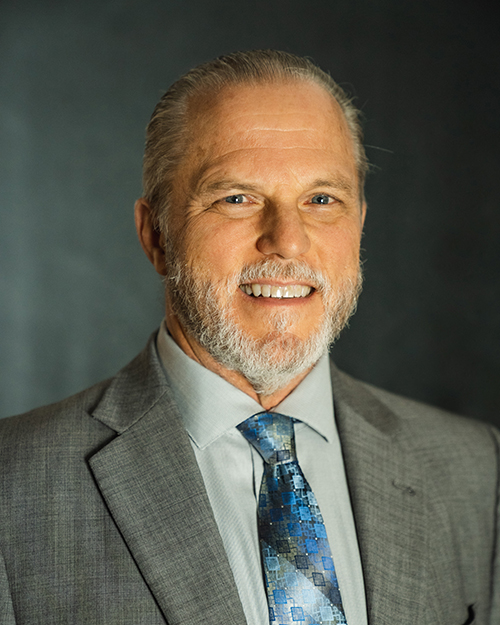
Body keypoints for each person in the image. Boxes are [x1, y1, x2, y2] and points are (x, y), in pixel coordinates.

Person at [0, 50, 498, 625]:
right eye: (236, 198)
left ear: (359, 223)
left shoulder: (474, 472)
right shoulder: (14, 487)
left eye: (321, 200)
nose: (287, 241)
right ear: (155, 235)